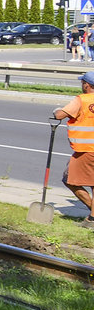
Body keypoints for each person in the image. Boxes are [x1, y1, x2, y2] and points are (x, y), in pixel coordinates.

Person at [53, 70, 94, 226]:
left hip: (86, 149)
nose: (81, 85)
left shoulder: (81, 100)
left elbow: (60, 115)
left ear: (87, 85)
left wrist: (56, 111)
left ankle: (92, 215)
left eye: (82, 82)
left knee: (69, 179)